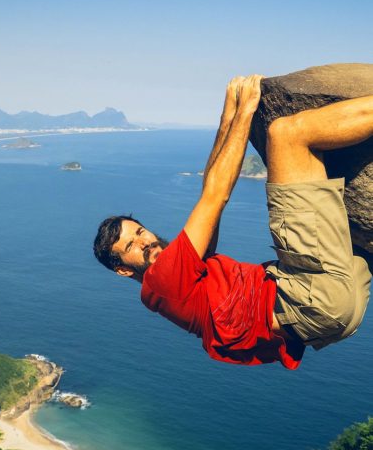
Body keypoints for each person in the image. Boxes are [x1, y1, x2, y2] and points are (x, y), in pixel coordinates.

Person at [93, 76, 372, 369]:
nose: (145, 241)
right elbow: (216, 195)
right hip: (311, 300)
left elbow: (207, 191)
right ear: (124, 269)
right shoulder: (162, 281)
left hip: (337, 310)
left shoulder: (184, 280)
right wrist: (246, 111)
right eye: (131, 246)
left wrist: (227, 117)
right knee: (287, 134)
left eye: (139, 231)